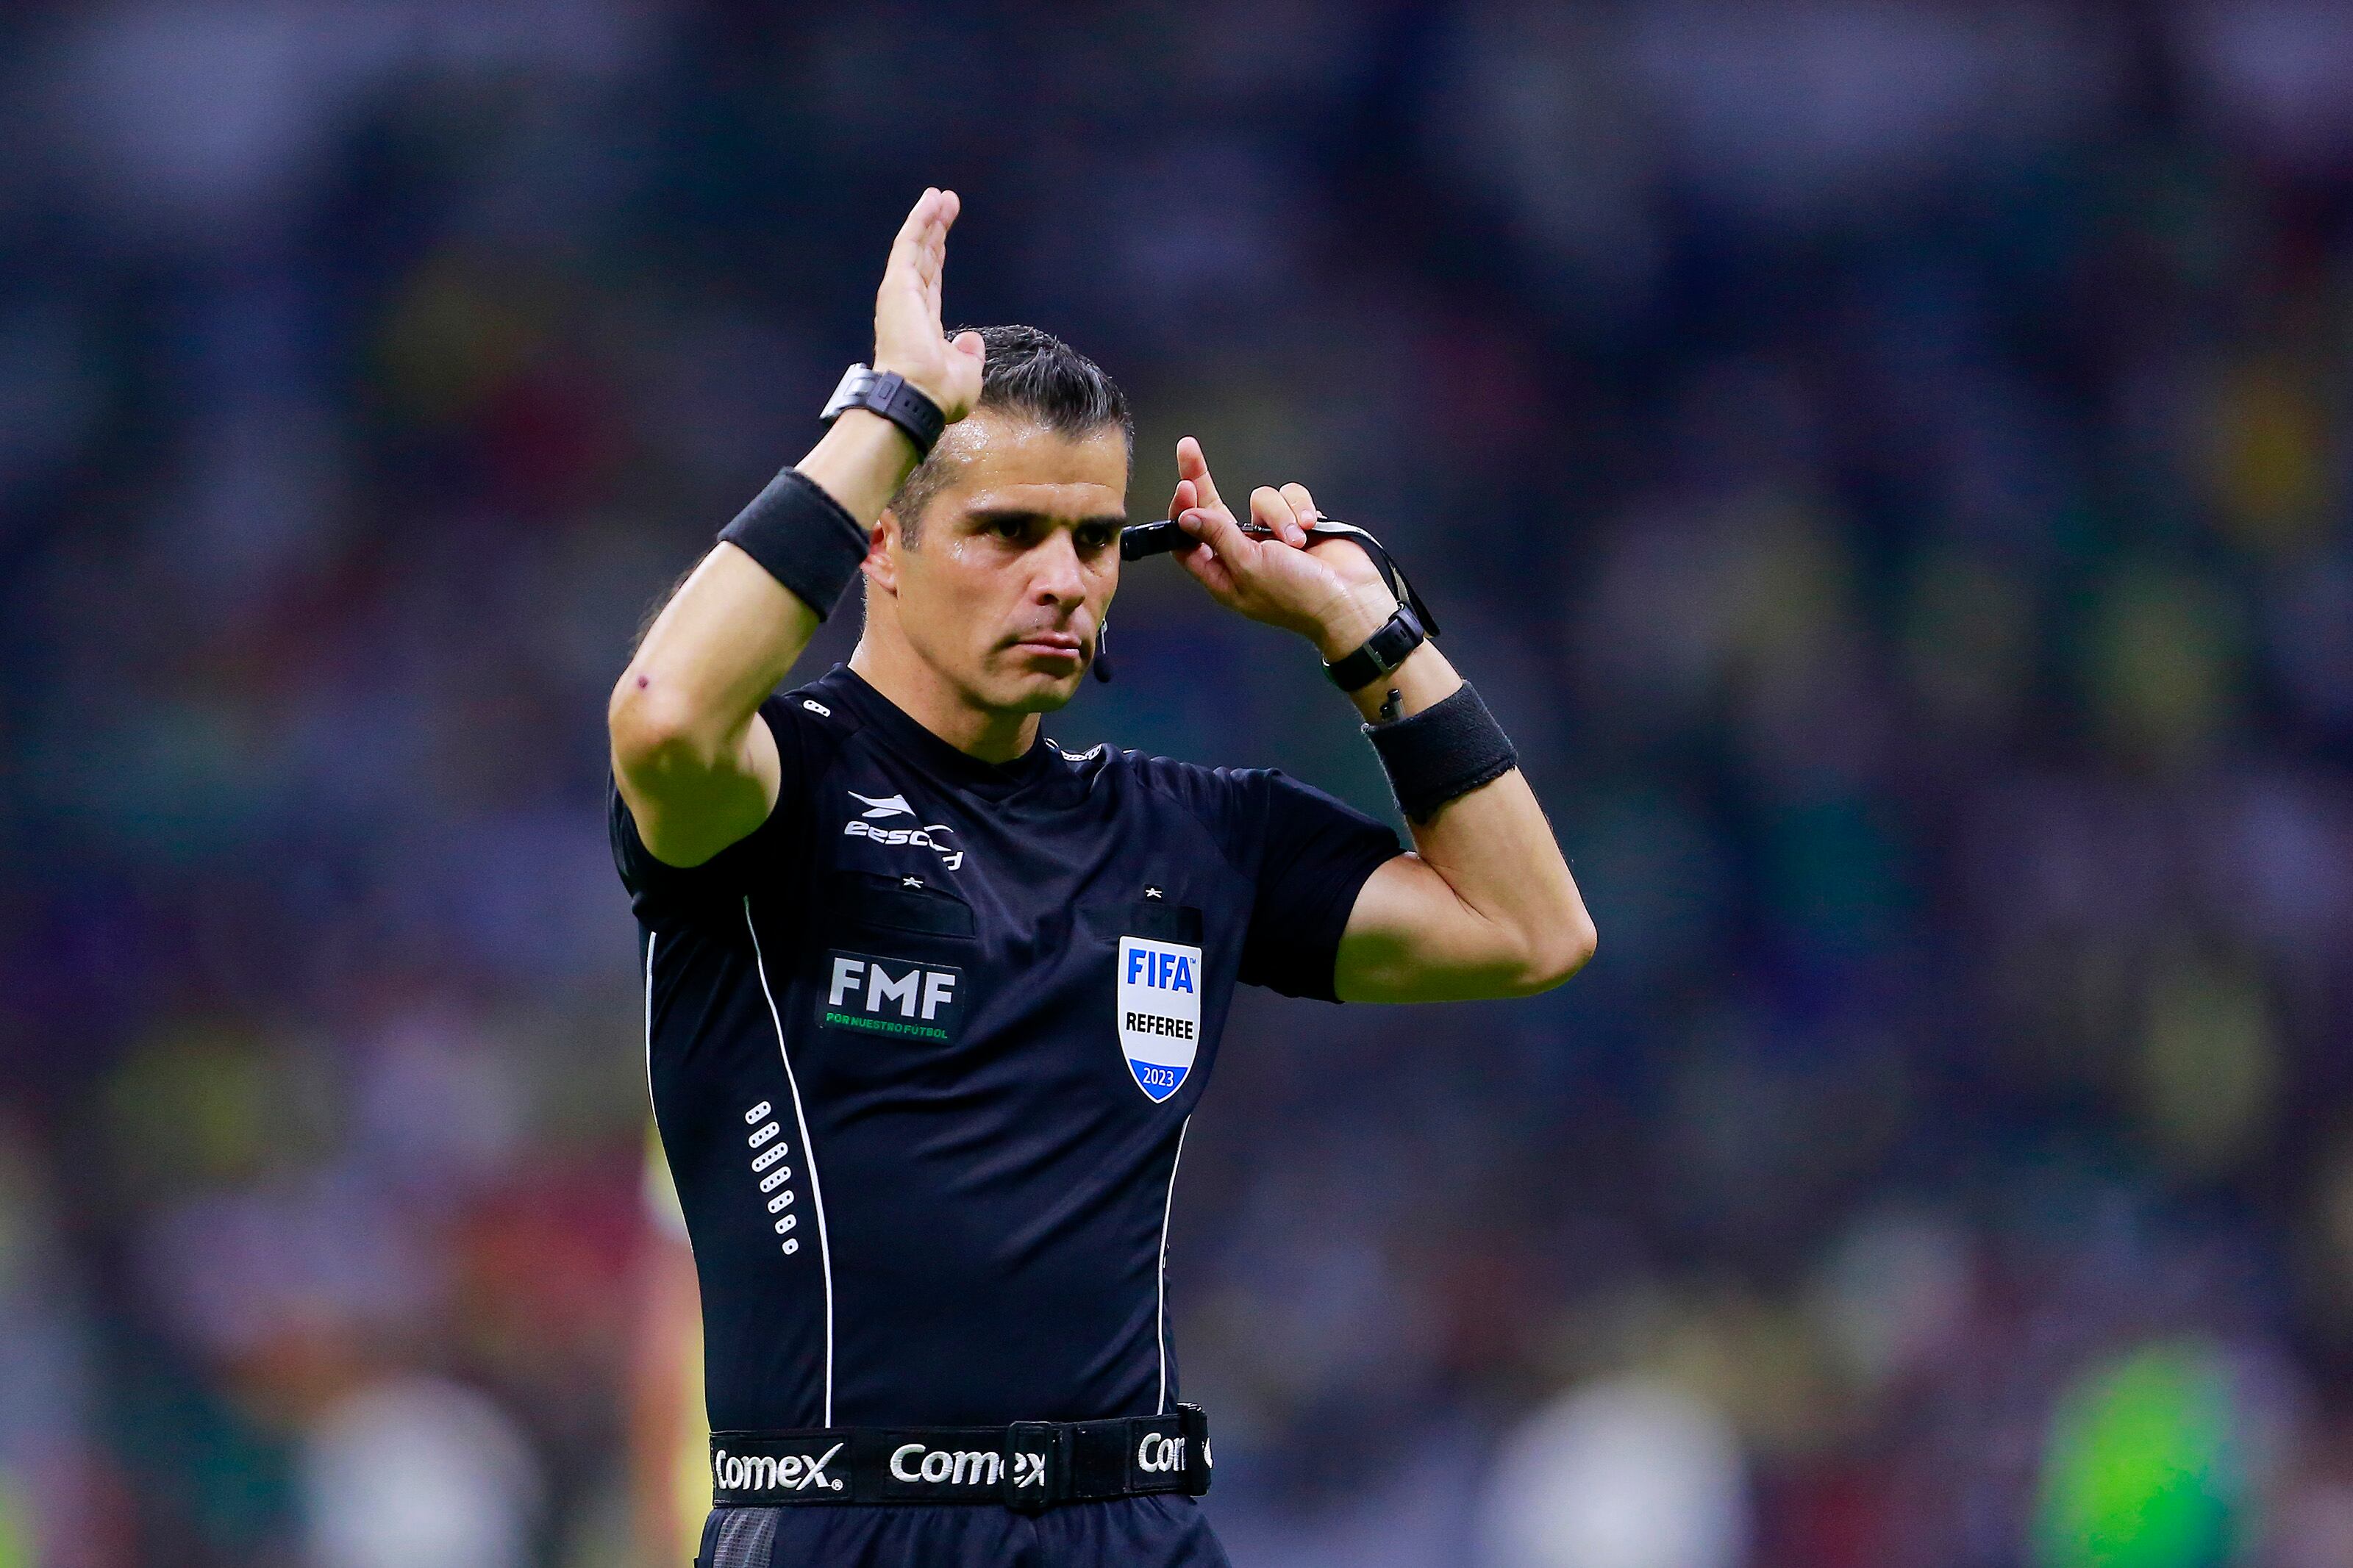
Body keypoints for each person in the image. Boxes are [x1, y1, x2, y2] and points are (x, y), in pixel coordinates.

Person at [607, 187, 1595, 1568]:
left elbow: (1531, 928)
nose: (1063, 580)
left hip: (1133, 1530)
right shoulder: (779, 791)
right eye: (1006, 533)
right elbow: (658, 711)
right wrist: (888, 412)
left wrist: (1369, 635)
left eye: (1091, 539)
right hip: (854, 1529)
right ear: (879, 542)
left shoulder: (1189, 831)